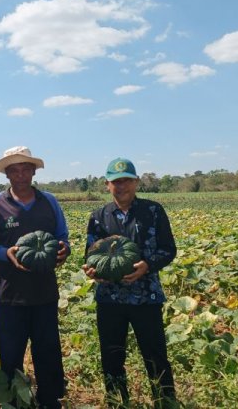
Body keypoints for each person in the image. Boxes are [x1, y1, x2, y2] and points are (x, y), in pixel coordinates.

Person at [0, 146, 70, 409]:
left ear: (33, 171)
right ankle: (15, 402)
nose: (20, 174)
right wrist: (5, 253)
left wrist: (64, 249)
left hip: (45, 292)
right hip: (11, 293)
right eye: (14, 170)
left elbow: (63, 236)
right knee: (11, 354)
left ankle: (50, 401)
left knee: (48, 351)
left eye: (25, 169)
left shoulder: (49, 201)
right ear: (7, 174)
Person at [81, 157, 178, 408]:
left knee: (155, 355)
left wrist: (148, 265)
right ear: (107, 185)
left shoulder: (153, 211)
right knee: (112, 355)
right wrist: (93, 271)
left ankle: (165, 401)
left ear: (136, 182)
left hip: (146, 296)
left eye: (126, 181)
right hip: (110, 298)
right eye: (115, 182)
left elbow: (169, 250)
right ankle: (117, 402)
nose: (121, 186)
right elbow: (90, 255)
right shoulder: (98, 216)